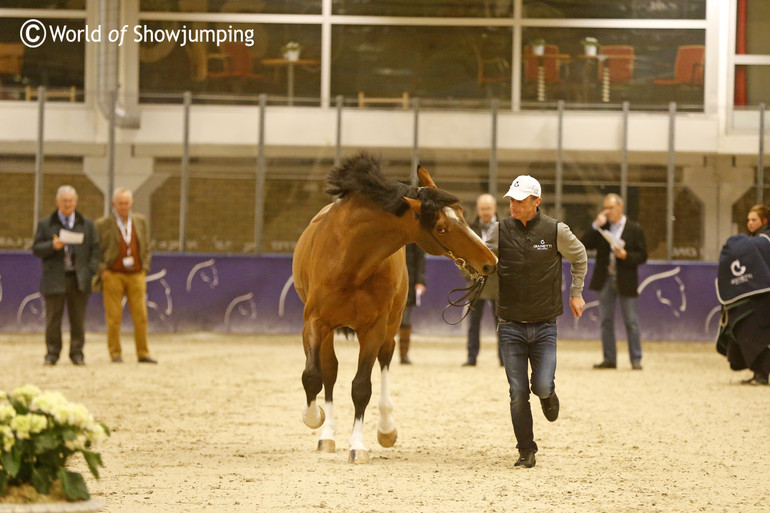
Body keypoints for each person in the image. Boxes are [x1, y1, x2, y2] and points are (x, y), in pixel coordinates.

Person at [487, 175, 587, 469]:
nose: (513, 205)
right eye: (511, 200)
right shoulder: (498, 230)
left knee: (541, 385)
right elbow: (480, 258)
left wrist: (576, 293)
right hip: (510, 325)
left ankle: (547, 394)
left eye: (520, 201)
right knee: (517, 393)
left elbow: (579, 256)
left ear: (536, 202)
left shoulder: (556, 230)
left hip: (545, 325)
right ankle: (526, 450)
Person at [32, 185, 100, 366]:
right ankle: (52, 353)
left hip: (78, 279)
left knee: (78, 319)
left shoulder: (86, 224)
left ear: (76, 202)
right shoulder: (45, 224)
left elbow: (95, 249)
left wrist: (91, 270)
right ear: (58, 202)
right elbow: (36, 249)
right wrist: (51, 246)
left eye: (70, 201)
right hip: (55, 279)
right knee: (53, 320)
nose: (67, 204)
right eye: (64, 201)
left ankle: (77, 353)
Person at [581, 193, 648, 371]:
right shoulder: (603, 229)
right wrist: (596, 225)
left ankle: (636, 359)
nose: (607, 211)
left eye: (610, 208)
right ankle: (609, 358)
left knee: (631, 321)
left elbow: (643, 256)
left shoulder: (634, 229)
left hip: (626, 279)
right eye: (605, 208)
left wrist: (626, 256)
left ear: (620, 207)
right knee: (605, 321)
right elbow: (584, 243)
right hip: (605, 279)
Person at [94, 187, 157, 364]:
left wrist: (144, 268)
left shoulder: (140, 222)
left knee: (141, 316)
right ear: (114, 204)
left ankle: (143, 352)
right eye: (120, 203)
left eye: (126, 203)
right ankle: (115, 353)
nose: (123, 206)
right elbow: (94, 251)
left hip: (136, 274)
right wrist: (103, 271)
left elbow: (146, 246)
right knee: (114, 317)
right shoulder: (103, 224)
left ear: (132, 203)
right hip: (113, 275)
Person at [462, 193, 502, 367]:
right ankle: (472, 357)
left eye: (488, 208)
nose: (485, 212)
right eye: (482, 209)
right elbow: (463, 256)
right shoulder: (468, 229)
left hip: (498, 284)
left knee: (501, 324)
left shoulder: (504, 228)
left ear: (494, 209)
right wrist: (470, 275)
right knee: (473, 323)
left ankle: (504, 358)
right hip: (476, 284)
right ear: (477, 210)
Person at [398, 243, 426, 365]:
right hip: (388, 282)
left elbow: (420, 259)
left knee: (405, 320)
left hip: (408, 280)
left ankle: (403, 354)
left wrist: (420, 281)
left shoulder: (413, 234)